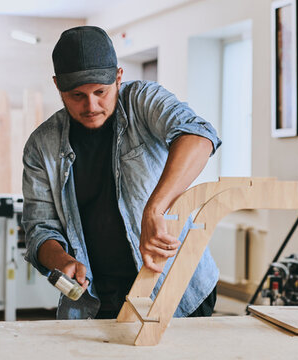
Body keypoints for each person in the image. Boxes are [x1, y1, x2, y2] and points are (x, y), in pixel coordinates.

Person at [22, 25, 221, 319]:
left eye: (100, 92)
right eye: (77, 95)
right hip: (96, 300)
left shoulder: (143, 100)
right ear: (57, 87)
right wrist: (60, 260)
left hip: (178, 287)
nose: (91, 106)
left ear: (118, 77)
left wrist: (155, 208)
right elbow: (40, 230)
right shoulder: (41, 146)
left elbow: (199, 136)